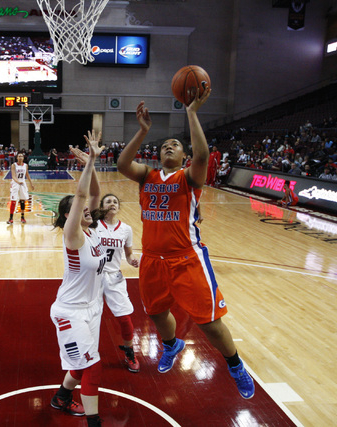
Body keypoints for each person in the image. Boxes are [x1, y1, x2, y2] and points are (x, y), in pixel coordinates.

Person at [117, 94, 256, 399]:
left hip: (186, 259)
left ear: (183, 157)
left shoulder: (189, 178)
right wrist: (142, 131)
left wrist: (192, 112)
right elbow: (122, 163)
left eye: (176, 145)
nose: (169, 146)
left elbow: (203, 156)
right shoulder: (147, 175)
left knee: (209, 322)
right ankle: (171, 346)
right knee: (155, 312)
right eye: (165, 144)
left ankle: (235, 366)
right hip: (153, 259)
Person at [50, 130, 105, 427]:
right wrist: (91, 160)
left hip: (90, 309)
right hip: (70, 313)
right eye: (78, 209)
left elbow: (93, 194)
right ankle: (94, 423)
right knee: (93, 366)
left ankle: (61, 397)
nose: (87, 209)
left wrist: (91, 165)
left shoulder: (90, 230)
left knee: (82, 365)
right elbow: (83, 195)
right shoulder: (73, 236)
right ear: (68, 215)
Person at [96, 193, 141, 373]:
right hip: (94, 276)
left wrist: (132, 260)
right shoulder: (93, 225)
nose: (112, 203)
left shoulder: (126, 229)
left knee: (124, 317)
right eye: (108, 201)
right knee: (90, 316)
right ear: (101, 206)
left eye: (115, 201)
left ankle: (130, 351)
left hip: (114, 276)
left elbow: (128, 253)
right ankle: (86, 354)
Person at [7, 152, 34, 225]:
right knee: (13, 200)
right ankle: (11, 218)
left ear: (23, 158)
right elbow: (13, 176)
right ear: (17, 158)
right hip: (15, 183)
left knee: (22, 200)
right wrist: (18, 182)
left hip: (23, 183)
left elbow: (27, 175)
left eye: (22, 156)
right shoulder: (14, 165)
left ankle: (22, 217)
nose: (20, 157)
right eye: (19, 156)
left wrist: (31, 183)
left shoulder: (25, 165)